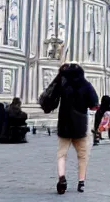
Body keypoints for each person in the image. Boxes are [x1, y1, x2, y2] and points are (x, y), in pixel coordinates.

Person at [40, 62, 99, 194]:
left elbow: (51, 98)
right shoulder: (86, 85)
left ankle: (62, 178)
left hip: (64, 124)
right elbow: (94, 104)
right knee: (82, 155)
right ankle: (81, 183)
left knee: (61, 154)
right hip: (80, 126)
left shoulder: (63, 84)